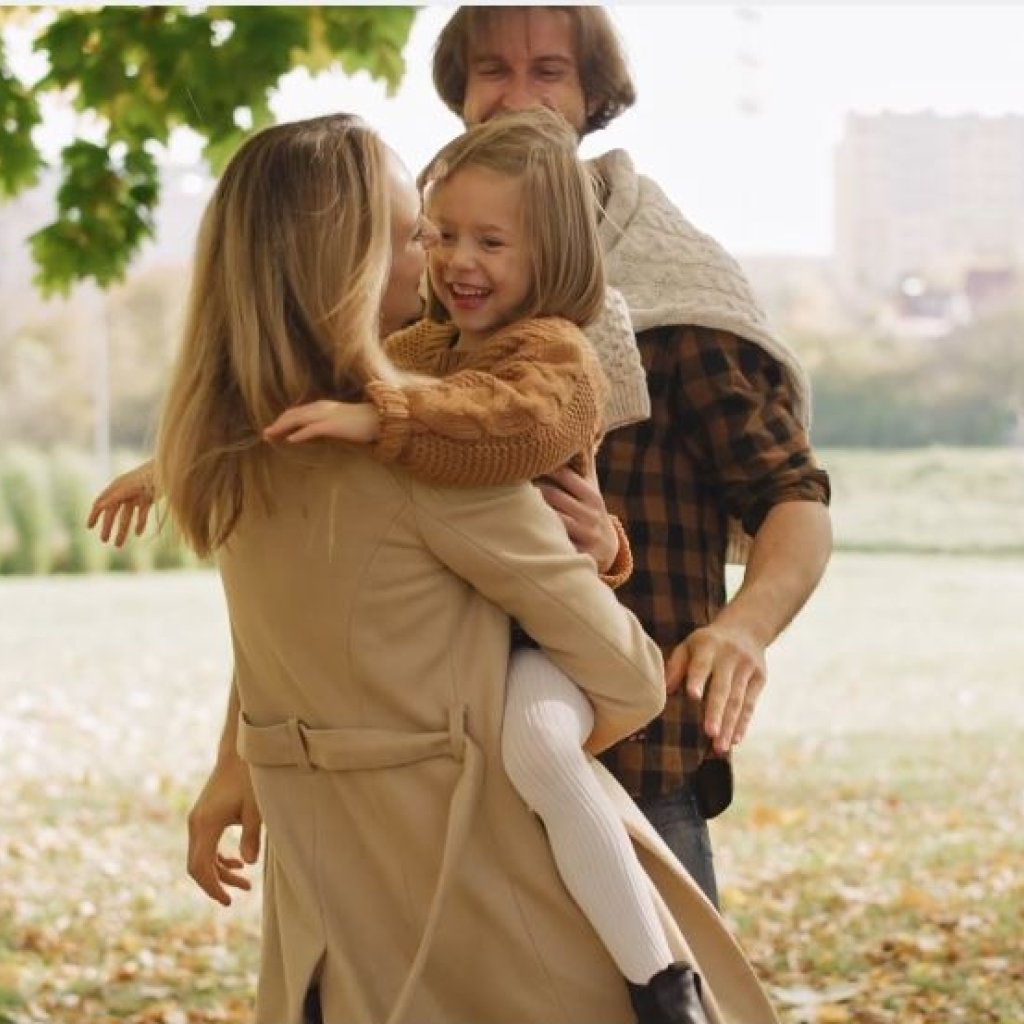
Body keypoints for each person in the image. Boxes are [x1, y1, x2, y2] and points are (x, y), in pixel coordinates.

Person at [146, 111, 781, 1024]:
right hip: (480, 926)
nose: (439, 260)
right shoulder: (422, 459)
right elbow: (631, 678)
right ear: (353, 262)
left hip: (333, 934)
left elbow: (286, 652)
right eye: (420, 233)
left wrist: (240, 762)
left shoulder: (234, 457)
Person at [259, 107, 705, 1021]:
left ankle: (662, 981)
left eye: (491, 242)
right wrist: (190, 457)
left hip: (532, 645)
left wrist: (382, 421)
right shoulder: (430, 349)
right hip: (458, 649)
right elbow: (322, 390)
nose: (459, 261)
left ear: (550, 256)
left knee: (538, 747)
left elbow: (512, 425)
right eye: (441, 234)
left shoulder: (553, 353)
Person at [429, 6, 833, 906]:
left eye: (549, 71)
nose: (518, 94)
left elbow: (791, 497)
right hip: (438, 767)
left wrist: (745, 628)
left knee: (667, 1000)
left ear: (596, 95)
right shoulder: (422, 283)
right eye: (493, 69)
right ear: (459, 90)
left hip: (636, 765)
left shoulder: (673, 283)